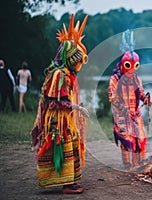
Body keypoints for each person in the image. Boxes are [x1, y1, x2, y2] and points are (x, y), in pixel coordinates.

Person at [31, 14, 89, 194]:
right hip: (58, 121)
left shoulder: (65, 73)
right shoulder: (60, 74)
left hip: (65, 120)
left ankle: (70, 182)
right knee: (64, 147)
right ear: (72, 59)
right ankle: (67, 185)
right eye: (79, 60)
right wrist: (77, 108)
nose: (80, 64)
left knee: (69, 146)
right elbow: (56, 102)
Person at [108, 29, 152, 170]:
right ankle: (127, 164)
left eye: (135, 67)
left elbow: (140, 93)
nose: (131, 70)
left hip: (135, 113)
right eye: (128, 66)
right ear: (123, 65)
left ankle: (141, 162)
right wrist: (123, 107)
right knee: (127, 140)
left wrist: (145, 99)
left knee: (141, 137)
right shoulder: (115, 79)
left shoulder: (136, 78)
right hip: (122, 114)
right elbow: (112, 96)